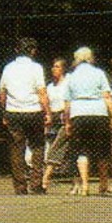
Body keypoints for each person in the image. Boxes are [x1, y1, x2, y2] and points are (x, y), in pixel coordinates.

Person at [0, 37, 51, 195]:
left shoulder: (8, 68)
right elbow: (42, 92)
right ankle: (36, 182)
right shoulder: (36, 68)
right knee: (37, 146)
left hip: (13, 111)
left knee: (16, 148)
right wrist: (47, 111)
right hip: (33, 110)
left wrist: (4, 111)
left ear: (17, 50)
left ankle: (20, 185)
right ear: (33, 51)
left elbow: (2, 92)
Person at [62, 46, 112, 196]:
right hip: (99, 112)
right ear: (91, 58)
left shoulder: (71, 76)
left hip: (78, 113)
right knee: (102, 149)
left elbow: (66, 103)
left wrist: (67, 122)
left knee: (80, 149)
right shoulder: (99, 73)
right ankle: (103, 183)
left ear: (76, 59)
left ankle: (84, 185)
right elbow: (107, 96)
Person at [42, 57, 70, 193]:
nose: (54, 69)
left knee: (56, 148)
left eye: (58, 67)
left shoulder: (68, 83)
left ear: (63, 69)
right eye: (53, 66)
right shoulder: (50, 86)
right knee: (57, 148)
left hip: (65, 117)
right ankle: (78, 181)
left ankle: (45, 179)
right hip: (53, 118)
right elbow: (46, 101)